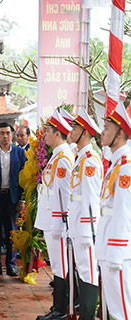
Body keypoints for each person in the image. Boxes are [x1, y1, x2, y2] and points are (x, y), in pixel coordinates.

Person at [35, 110, 74, 320]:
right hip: (52, 220)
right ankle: (58, 307)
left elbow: (67, 195)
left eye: (48, 131)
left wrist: (63, 223)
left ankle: (61, 310)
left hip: (58, 222)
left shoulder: (63, 159)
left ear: (58, 133)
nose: (45, 136)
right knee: (59, 264)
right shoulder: (57, 156)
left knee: (60, 265)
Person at [96, 102, 131, 320]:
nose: (102, 132)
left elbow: (124, 212)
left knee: (122, 309)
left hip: (118, 248)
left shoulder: (126, 167)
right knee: (114, 307)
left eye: (107, 128)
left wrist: (116, 252)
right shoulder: (116, 164)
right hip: (108, 242)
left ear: (120, 133)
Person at [68, 108, 102, 320]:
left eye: (76, 127)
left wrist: (89, 230)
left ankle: (88, 315)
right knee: (82, 270)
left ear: (86, 133)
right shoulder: (81, 158)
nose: (71, 130)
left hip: (85, 227)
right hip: (78, 224)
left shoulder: (89, 159)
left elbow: (91, 198)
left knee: (88, 271)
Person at [0, 122, 26, 277]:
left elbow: (24, 178)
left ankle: (11, 264)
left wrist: (22, 199)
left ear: (12, 134)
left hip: (12, 198)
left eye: (8, 133)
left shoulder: (19, 153)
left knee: (12, 233)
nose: (5, 136)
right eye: (2, 133)